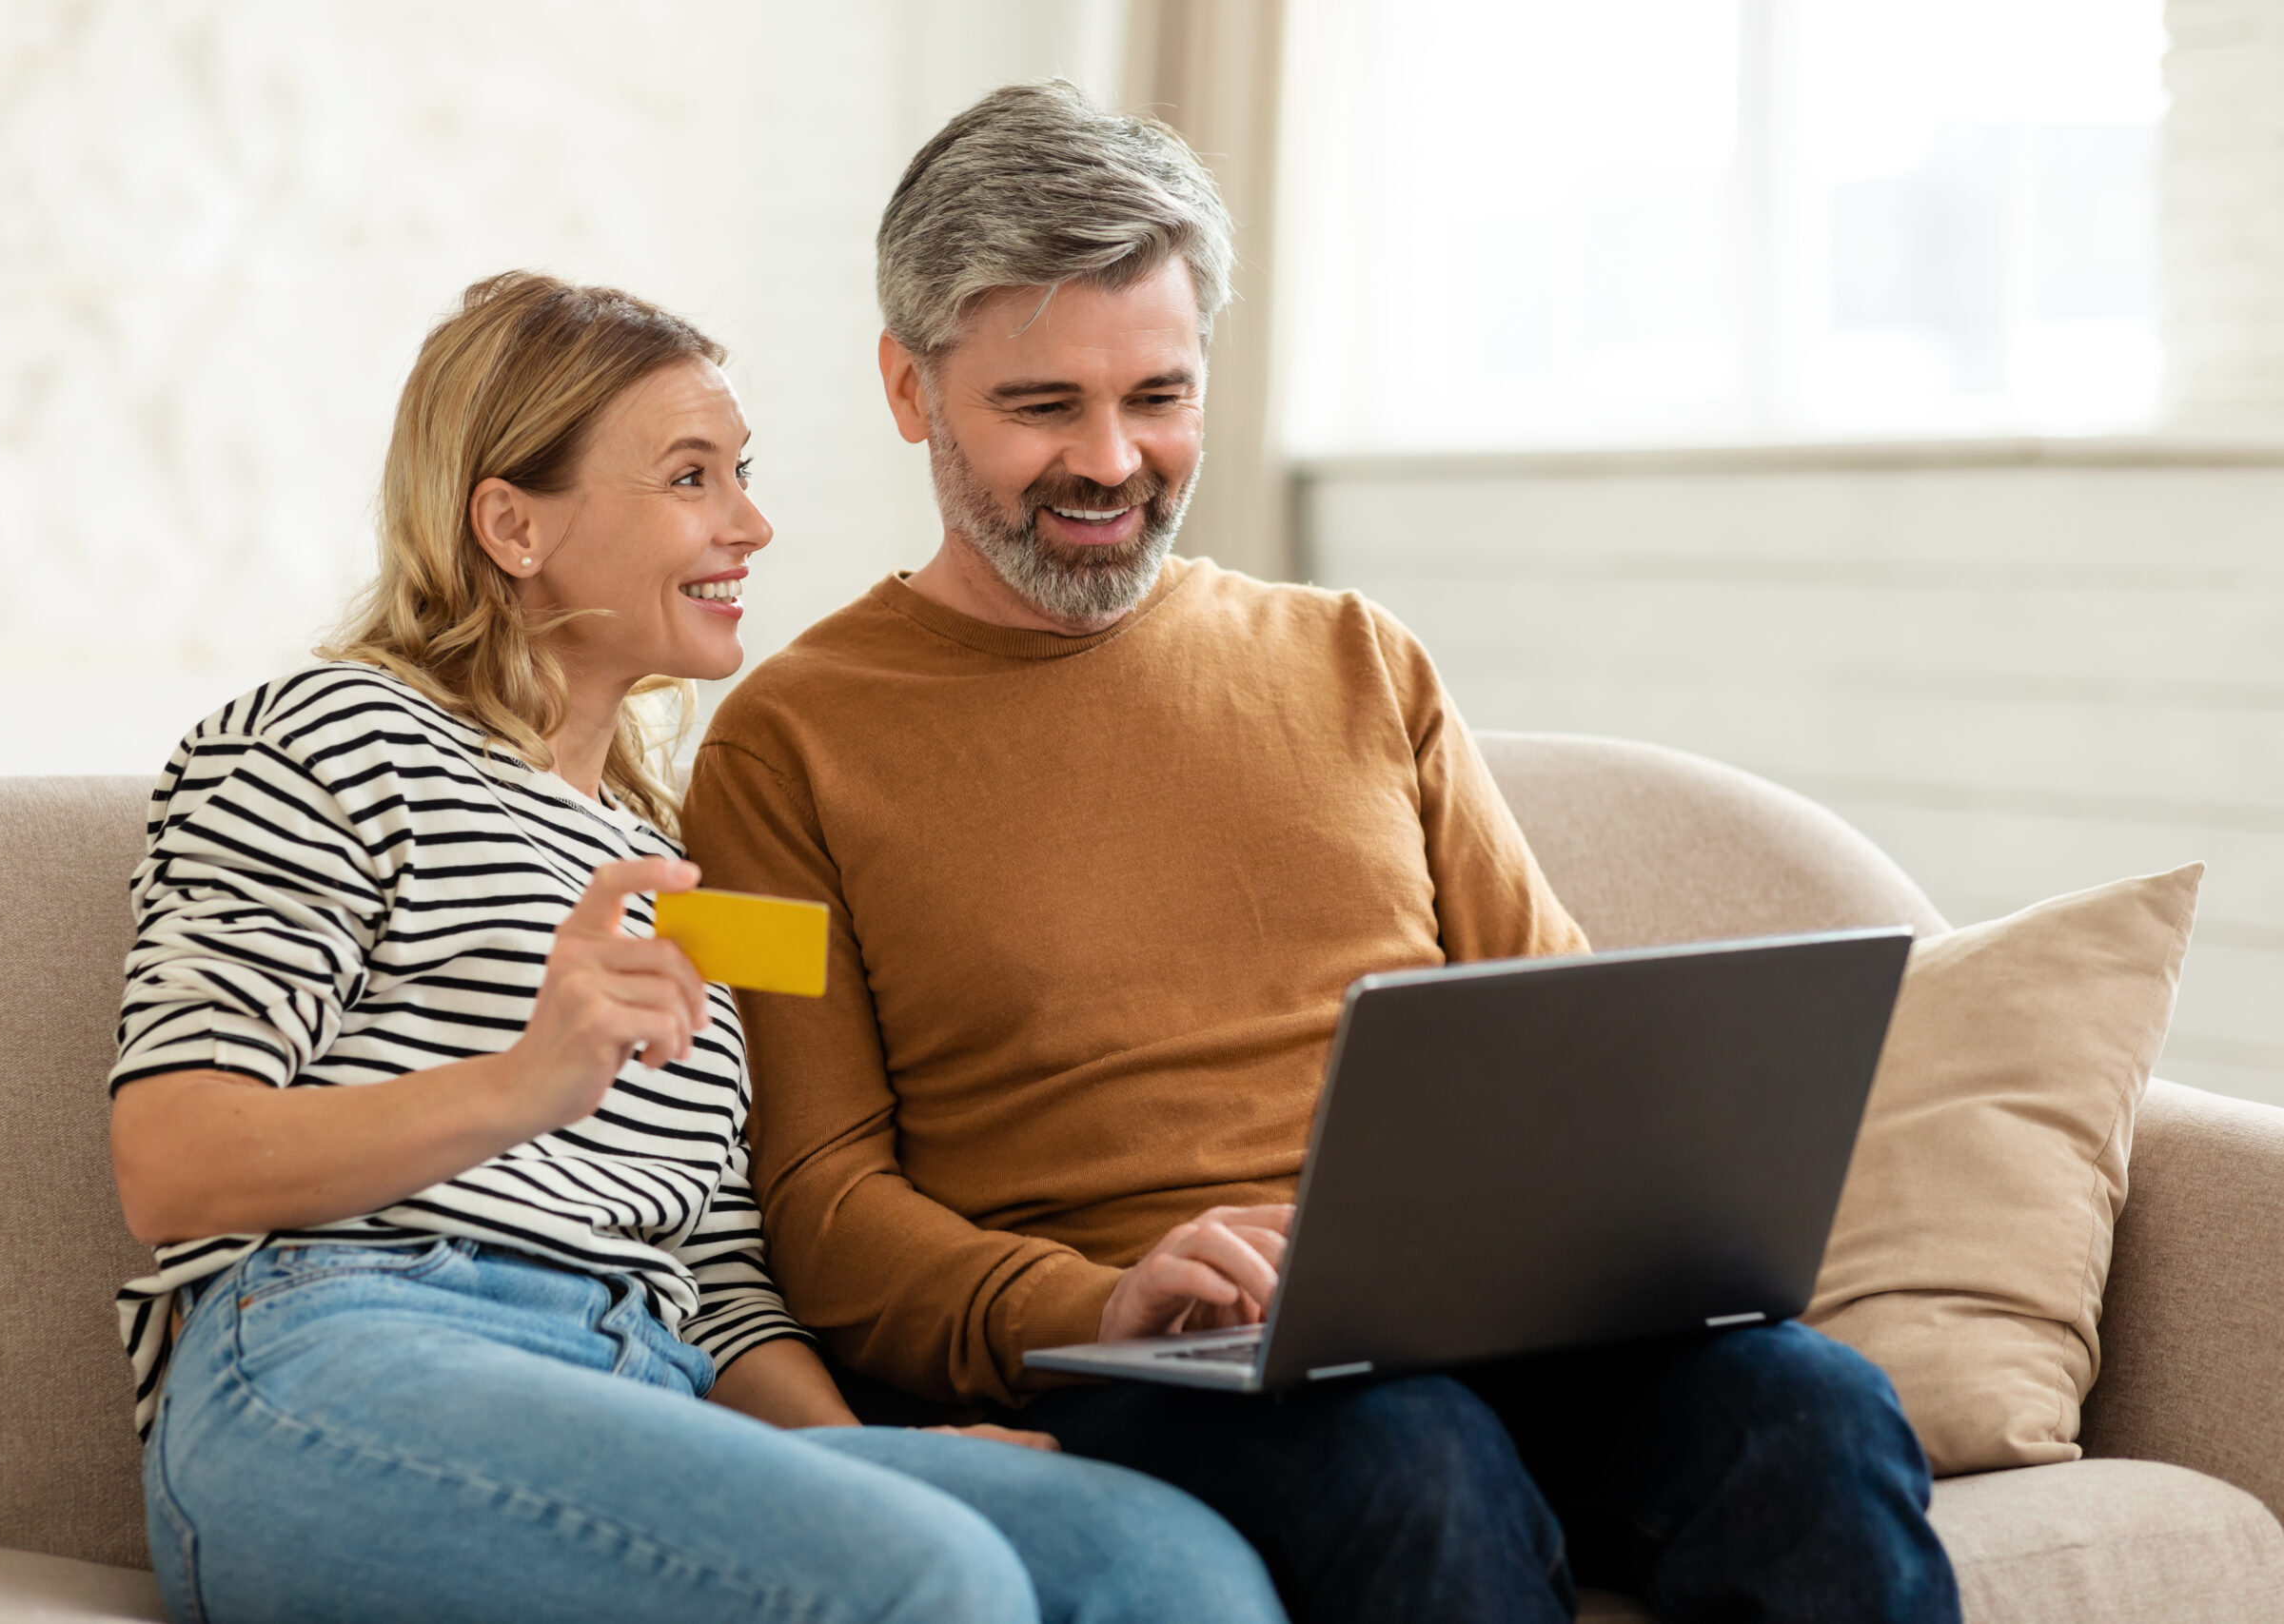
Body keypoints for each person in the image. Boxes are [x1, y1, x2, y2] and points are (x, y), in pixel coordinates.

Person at [681, 82, 1963, 1624]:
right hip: (1131, 1355)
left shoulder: (1355, 658)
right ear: (911, 388)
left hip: (1466, 1314)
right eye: (1043, 408)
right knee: (1407, 1456)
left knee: (1807, 1406)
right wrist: (1107, 1296)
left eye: (1158, 395)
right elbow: (814, 1198)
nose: (1111, 462)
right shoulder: (785, 741)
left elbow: (1555, 1033)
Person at [103, 270, 1286, 1624]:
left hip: (644, 1378)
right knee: (927, 1577)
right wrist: (522, 1085)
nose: (752, 523)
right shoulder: (319, 737)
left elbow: (716, 1265)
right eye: (689, 478)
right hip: (342, 1349)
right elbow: (171, 1162)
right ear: (512, 523)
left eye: (741, 473)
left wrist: (847, 1456)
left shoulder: (678, 857)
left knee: (1172, 1568)